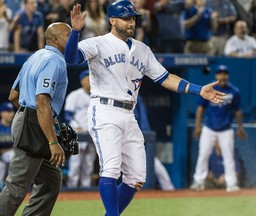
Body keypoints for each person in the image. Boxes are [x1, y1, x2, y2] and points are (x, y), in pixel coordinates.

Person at [65, 2, 225, 215]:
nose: (131, 21)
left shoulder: (142, 49)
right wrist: (75, 32)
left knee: (137, 177)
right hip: (104, 110)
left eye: (133, 18)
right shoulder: (98, 43)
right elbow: (71, 58)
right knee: (111, 169)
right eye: (126, 18)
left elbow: (166, 78)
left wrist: (198, 90)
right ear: (112, 20)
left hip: (128, 114)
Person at [0, 22, 71, 216]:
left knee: (51, 181)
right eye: (68, 35)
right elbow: (42, 101)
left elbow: (13, 96)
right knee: (17, 186)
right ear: (55, 40)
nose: (74, 38)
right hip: (34, 123)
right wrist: (52, 140)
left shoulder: (35, 57)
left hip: (31, 118)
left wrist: (42, 117)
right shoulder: (54, 60)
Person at [190, 64, 246, 192]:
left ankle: (231, 183)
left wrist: (240, 127)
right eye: (220, 73)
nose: (222, 76)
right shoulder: (209, 89)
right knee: (203, 154)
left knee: (228, 156)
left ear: (228, 75)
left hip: (226, 128)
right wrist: (198, 126)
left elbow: (238, 111)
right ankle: (198, 182)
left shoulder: (234, 91)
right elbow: (200, 109)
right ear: (216, 75)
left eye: (225, 73)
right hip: (209, 128)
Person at [134, 95, 175, 191]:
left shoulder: (137, 97)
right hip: (131, 138)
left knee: (155, 165)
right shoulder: (126, 97)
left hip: (142, 138)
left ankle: (169, 190)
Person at [64, 70, 97, 188]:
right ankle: (71, 190)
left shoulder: (97, 95)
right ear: (82, 81)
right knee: (75, 166)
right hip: (77, 134)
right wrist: (74, 125)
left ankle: (86, 191)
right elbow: (67, 115)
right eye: (87, 79)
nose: (89, 82)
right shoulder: (75, 95)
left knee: (88, 166)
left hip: (91, 134)